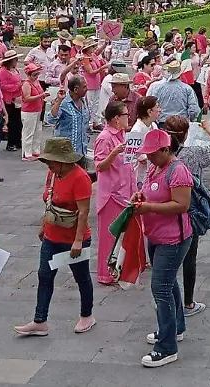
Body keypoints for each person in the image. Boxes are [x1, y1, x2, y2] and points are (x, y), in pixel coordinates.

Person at [13, 137, 97, 337]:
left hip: (74, 237)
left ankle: (87, 315)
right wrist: (44, 226)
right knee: (44, 276)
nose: (48, 165)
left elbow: (83, 212)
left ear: (64, 160)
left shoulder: (80, 178)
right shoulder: (52, 175)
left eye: (51, 161)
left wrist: (78, 241)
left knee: (81, 277)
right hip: (52, 235)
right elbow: (49, 202)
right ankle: (40, 320)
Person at [128, 129, 193, 368]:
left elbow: (181, 205)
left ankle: (166, 347)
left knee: (160, 288)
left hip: (174, 239)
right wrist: (140, 196)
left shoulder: (178, 171)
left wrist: (149, 207)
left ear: (166, 150)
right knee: (168, 283)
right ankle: (176, 328)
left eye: (153, 154)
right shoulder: (156, 168)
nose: (150, 158)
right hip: (155, 236)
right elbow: (150, 191)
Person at [162, 116, 210, 317]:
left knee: (165, 259)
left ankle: (164, 298)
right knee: (189, 258)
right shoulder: (194, 153)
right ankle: (187, 302)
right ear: (186, 134)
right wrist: (209, 128)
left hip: (164, 208)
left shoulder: (160, 155)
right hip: (190, 211)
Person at [92, 102, 134, 286]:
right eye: (125, 114)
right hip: (111, 194)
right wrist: (113, 154)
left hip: (124, 190)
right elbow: (100, 166)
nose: (128, 117)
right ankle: (105, 273)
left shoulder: (122, 134)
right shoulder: (105, 137)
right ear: (117, 118)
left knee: (121, 235)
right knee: (109, 236)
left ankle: (117, 268)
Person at [20, 62, 46, 161]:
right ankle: (27, 153)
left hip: (38, 109)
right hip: (29, 111)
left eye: (37, 74)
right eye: (34, 75)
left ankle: (35, 150)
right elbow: (27, 98)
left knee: (37, 131)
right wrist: (41, 96)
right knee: (28, 132)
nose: (36, 77)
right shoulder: (26, 83)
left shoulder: (37, 82)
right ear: (28, 75)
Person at [0, 50, 24, 152]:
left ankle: (18, 141)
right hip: (9, 100)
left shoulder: (16, 70)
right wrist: (16, 86)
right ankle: (11, 143)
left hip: (17, 99)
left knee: (18, 122)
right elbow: (2, 86)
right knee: (12, 123)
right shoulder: (3, 72)